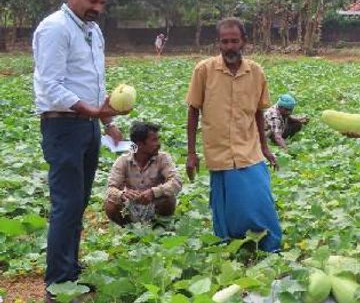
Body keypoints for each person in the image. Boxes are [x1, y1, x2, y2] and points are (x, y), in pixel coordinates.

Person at [32, 0, 128, 297]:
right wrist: (91, 113)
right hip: (63, 126)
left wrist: (106, 123)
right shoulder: (55, 28)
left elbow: (94, 84)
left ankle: (69, 268)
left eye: (102, 2)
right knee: (67, 203)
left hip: (87, 126)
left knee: (79, 202)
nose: (98, 8)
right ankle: (58, 283)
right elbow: (50, 85)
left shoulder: (93, 31)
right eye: (92, 0)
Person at [185, 17, 282, 252]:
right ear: (218, 43)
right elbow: (193, 110)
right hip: (219, 152)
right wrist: (191, 153)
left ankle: (270, 246)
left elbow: (259, 113)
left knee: (260, 200)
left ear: (244, 42)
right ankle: (232, 246)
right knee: (227, 208)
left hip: (249, 149)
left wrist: (265, 147)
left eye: (234, 41)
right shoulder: (204, 70)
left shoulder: (256, 72)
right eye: (224, 41)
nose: (229, 46)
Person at [105, 122, 181, 226]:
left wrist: (154, 192)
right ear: (140, 144)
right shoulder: (123, 161)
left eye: (158, 139)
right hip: (131, 204)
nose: (158, 143)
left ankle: (159, 225)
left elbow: (176, 181)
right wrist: (122, 195)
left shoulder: (163, 158)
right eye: (154, 140)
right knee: (110, 205)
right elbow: (110, 189)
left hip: (155, 203)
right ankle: (128, 228)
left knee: (169, 199)